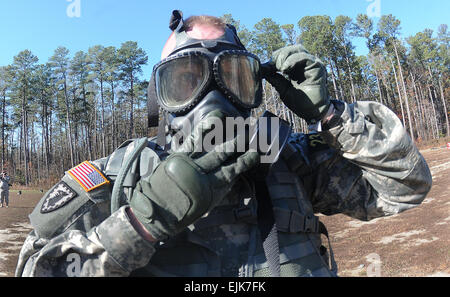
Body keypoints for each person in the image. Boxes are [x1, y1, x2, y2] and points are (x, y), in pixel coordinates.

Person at [15, 11, 432, 277]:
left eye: (232, 79)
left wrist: (329, 115)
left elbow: (405, 186)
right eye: (187, 81)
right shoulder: (119, 178)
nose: (212, 100)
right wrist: (140, 224)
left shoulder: (286, 161)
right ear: (162, 97)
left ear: (253, 87)